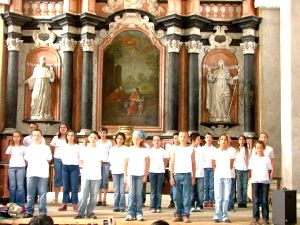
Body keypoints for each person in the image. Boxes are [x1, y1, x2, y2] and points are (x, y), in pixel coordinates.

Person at [23, 129, 52, 218]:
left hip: (43, 173)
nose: (36, 137)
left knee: (42, 194)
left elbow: (49, 159)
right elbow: (26, 160)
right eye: (34, 135)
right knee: (30, 194)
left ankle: (42, 212)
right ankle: (29, 211)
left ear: (41, 136)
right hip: (31, 173)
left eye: (38, 135)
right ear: (32, 137)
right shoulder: (28, 148)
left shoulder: (46, 148)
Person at [74, 131, 103, 219]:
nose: (93, 139)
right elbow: (81, 161)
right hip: (86, 174)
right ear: (88, 138)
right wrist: (83, 170)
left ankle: (90, 212)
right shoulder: (84, 149)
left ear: (97, 139)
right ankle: (80, 212)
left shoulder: (100, 149)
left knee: (94, 196)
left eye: (95, 137)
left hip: (96, 175)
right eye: (91, 137)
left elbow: (101, 162)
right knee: (84, 194)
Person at [170, 131, 196, 223]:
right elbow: (172, 163)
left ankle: (186, 215)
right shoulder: (174, 149)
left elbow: (193, 163)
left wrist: (193, 177)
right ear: (178, 138)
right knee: (176, 196)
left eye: (185, 136)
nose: (183, 138)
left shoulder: (191, 149)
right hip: (176, 175)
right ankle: (178, 214)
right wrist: (171, 176)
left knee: (186, 196)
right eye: (181, 136)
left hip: (187, 175)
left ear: (187, 138)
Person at [124, 130, 149, 221]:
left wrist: (145, 175)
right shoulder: (129, 149)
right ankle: (130, 213)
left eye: (137, 138)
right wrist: (125, 175)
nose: (135, 140)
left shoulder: (145, 150)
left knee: (138, 194)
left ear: (141, 139)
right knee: (131, 194)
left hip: (140, 175)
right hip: (131, 175)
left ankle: (139, 213)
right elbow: (125, 163)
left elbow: (147, 163)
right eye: (134, 138)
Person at [212, 134, 235, 223]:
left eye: (225, 139)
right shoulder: (215, 152)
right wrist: (218, 172)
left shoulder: (231, 152)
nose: (223, 141)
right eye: (221, 139)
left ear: (227, 141)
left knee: (226, 198)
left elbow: (231, 165)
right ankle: (217, 215)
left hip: (227, 177)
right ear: (219, 141)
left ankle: (225, 216)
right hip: (218, 177)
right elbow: (213, 164)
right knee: (218, 197)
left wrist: (226, 171)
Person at [248, 140, 272, 225]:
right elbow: (250, 170)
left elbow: (269, 170)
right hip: (255, 181)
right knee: (256, 200)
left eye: (261, 148)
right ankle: (255, 218)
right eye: (257, 148)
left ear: (263, 148)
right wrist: (251, 179)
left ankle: (265, 219)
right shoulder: (252, 158)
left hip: (265, 181)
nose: (259, 149)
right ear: (255, 148)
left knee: (265, 200)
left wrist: (267, 179)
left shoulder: (267, 159)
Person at [58, 130, 80, 211]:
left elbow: (79, 157)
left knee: (74, 186)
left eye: (72, 135)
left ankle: (75, 203)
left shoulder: (78, 147)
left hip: (74, 167)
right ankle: (64, 203)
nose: (70, 137)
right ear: (66, 137)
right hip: (65, 167)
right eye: (69, 135)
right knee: (65, 186)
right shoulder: (63, 146)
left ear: (74, 137)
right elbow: (61, 157)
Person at [6, 131, 26, 209]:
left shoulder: (24, 147)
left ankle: (20, 204)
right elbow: (8, 157)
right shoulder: (10, 147)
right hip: (12, 168)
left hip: (21, 167)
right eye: (14, 136)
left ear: (20, 138)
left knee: (20, 186)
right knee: (12, 186)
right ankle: (11, 203)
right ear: (12, 138)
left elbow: (26, 158)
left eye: (18, 136)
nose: (16, 138)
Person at [148, 135, 169, 213]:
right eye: (155, 140)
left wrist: (163, 167)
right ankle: (152, 206)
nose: (156, 142)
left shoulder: (163, 151)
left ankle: (158, 206)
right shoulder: (150, 151)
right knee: (153, 190)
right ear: (153, 142)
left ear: (160, 141)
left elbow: (166, 160)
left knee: (159, 190)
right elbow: (148, 161)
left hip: (160, 172)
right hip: (152, 172)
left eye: (158, 140)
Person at [109, 132, 128, 212]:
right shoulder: (112, 149)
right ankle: (116, 206)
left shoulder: (126, 149)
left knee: (122, 190)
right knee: (116, 189)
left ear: (123, 140)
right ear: (115, 139)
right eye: (118, 138)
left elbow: (127, 160)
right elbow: (110, 159)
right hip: (115, 171)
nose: (119, 140)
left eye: (121, 138)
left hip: (123, 171)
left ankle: (122, 206)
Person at [50, 123, 68, 204]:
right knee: (58, 177)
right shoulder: (56, 138)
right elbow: (52, 147)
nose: (63, 129)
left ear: (67, 129)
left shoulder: (69, 137)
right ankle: (56, 197)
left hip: (67, 160)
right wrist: (53, 156)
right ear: (59, 129)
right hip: (57, 159)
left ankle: (65, 198)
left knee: (66, 178)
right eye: (61, 127)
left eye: (64, 127)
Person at [96, 127, 112, 206]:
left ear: (106, 134)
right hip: (98, 163)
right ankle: (99, 198)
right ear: (99, 134)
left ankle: (104, 198)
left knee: (105, 181)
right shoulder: (97, 142)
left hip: (106, 163)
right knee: (99, 180)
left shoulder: (109, 142)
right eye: (101, 133)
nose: (102, 134)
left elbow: (111, 153)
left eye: (104, 133)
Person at [190, 132, 204, 212]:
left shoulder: (202, 149)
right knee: (192, 190)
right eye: (198, 139)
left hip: (200, 173)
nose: (200, 141)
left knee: (200, 190)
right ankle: (191, 205)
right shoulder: (188, 149)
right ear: (193, 140)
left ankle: (199, 204)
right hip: (191, 174)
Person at [202, 132, 217, 208]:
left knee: (211, 186)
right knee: (205, 186)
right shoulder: (202, 149)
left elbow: (215, 160)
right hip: (204, 168)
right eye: (207, 137)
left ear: (212, 139)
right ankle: (205, 200)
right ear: (205, 139)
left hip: (212, 169)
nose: (208, 139)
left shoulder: (214, 149)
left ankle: (211, 200)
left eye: (210, 137)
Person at [235, 135, 250, 208]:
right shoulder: (236, 150)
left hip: (245, 169)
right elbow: (235, 160)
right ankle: (240, 201)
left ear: (244, 141)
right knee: (239, 186)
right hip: (238, 169)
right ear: (238, 141)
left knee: (245, 186)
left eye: (242, 139)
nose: (241, 141)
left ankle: (244, 202)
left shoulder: (247, 149)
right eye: (240, 139)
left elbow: (248, 160)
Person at [166, 132, 179, 208]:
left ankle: (178, 200)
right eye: (175, 138)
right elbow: (168, 158)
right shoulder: (170, 148)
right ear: (173, 139)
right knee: (172, 185)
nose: (176, 140)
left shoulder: (182, 147)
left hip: (179, 169)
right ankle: (172, 201)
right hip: (171, 168)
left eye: (177, 138)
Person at [225, 134, 237, 212]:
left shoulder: (233, 150)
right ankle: (225, 206)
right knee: (224, 191)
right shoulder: (219, 150)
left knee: (231, 190)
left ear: (230, 140)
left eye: (228, 138)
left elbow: (235, 162)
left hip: (231, 173)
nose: (226, 140)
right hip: (223, 174)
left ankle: (231, 205)